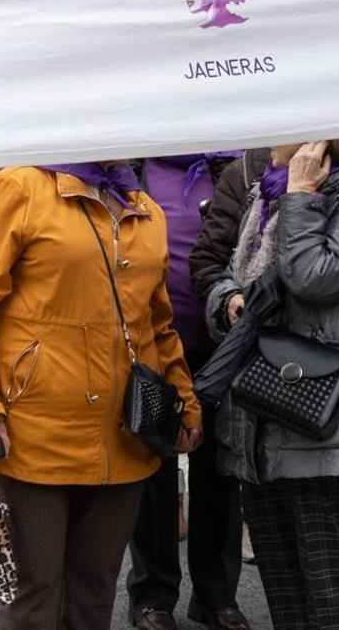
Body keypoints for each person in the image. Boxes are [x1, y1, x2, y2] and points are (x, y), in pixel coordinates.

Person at [0, 162, 203, 630]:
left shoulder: (143, 209)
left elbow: (157, 325)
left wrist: (183, 399)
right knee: (28, 596)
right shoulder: (20, 186)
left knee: (94, 593)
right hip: (32, 436)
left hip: (125, 440)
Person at [193, 146, 339, 625]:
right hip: (262, 409)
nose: (268, 139)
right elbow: (224, 270)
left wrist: (299, 196)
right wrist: (232, 302)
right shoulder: (262, 190)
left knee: (331, 588)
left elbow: (315, 278)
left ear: (318, 143)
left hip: (323, 416)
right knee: (284, 584)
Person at [126, 153, 249, 630]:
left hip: (221, 344)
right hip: (151, 346)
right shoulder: (137, 167)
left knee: (220, 472)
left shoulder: (232, 167)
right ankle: (152, 595)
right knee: (151, 473)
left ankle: (216, 594)